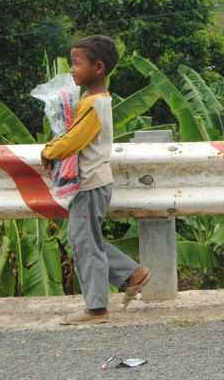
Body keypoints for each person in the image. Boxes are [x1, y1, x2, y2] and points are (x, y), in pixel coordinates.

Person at [41, 35, 152, 325]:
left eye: (77, 64)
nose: (72, 70)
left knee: (83, 243)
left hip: (89, 182)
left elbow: (74, 141)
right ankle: (131, 274)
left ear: (98, 67)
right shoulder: (93, 100)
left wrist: (49, 151)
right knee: (84, 239)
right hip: (93, 181)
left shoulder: (93, 104)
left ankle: (96, 308)